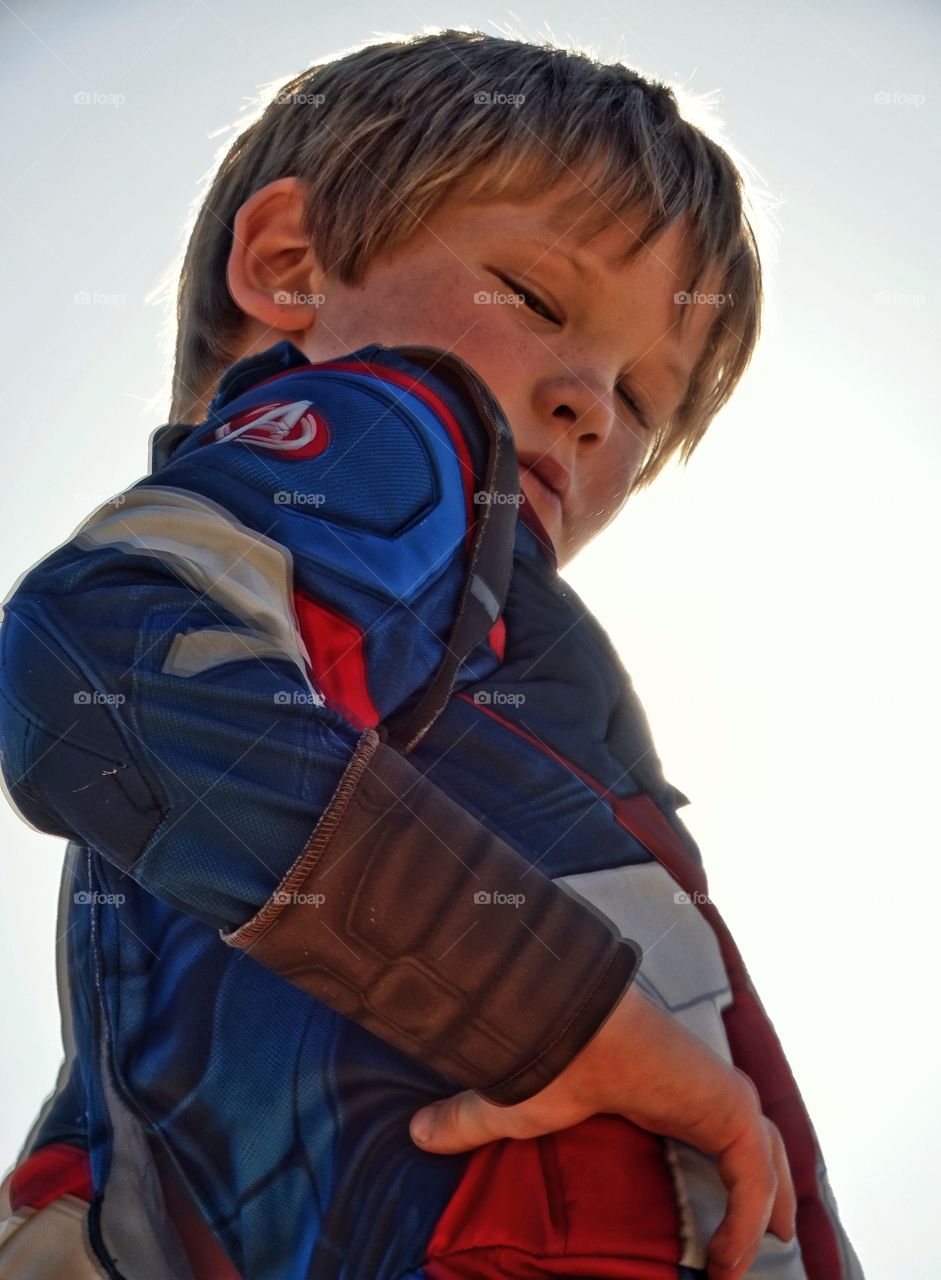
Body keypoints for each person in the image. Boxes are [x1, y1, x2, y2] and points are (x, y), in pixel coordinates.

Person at [0, 29, 864, 1280]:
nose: (587, 403)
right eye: (539, 297)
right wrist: (551, 1012)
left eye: (642, 400)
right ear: (290, 261)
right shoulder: (404, 423)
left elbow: (119, 1177)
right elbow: (103, 672)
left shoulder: (384, 661)